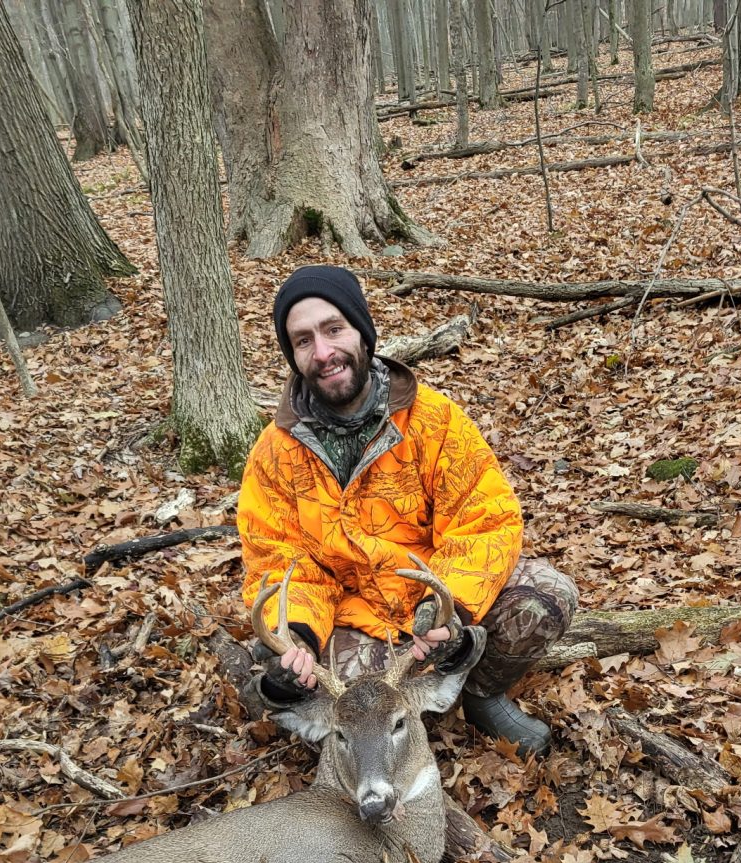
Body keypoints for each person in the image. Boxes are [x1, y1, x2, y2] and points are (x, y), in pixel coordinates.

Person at [237, 265, 578, 756]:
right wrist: (300, 638)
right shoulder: (274, 454)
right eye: (304, 340)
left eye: (334, 329)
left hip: (431, 603)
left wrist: (447, 609)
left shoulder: (434, 421)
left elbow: (485, 520)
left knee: (545, 596)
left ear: (362, 331)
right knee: (308, 696)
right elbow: (279, 562)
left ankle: (481, 694)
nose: (324, 352)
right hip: (353, 620)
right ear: (293, 355)